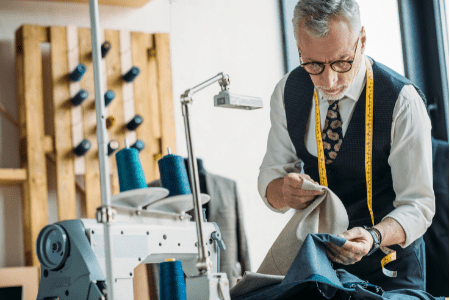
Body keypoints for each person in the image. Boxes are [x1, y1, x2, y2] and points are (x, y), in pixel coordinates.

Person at [258, 0, 435, 292]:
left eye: (342, 62)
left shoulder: (401, 101)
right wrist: (284, 191)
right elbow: (270, 181)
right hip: (325, 267)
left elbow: (418, 205)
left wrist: (374, 237)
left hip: (391, 267)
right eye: (313, 64)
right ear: (299, 49)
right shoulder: (287, 93)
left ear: (362, 40)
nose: (328, 80)